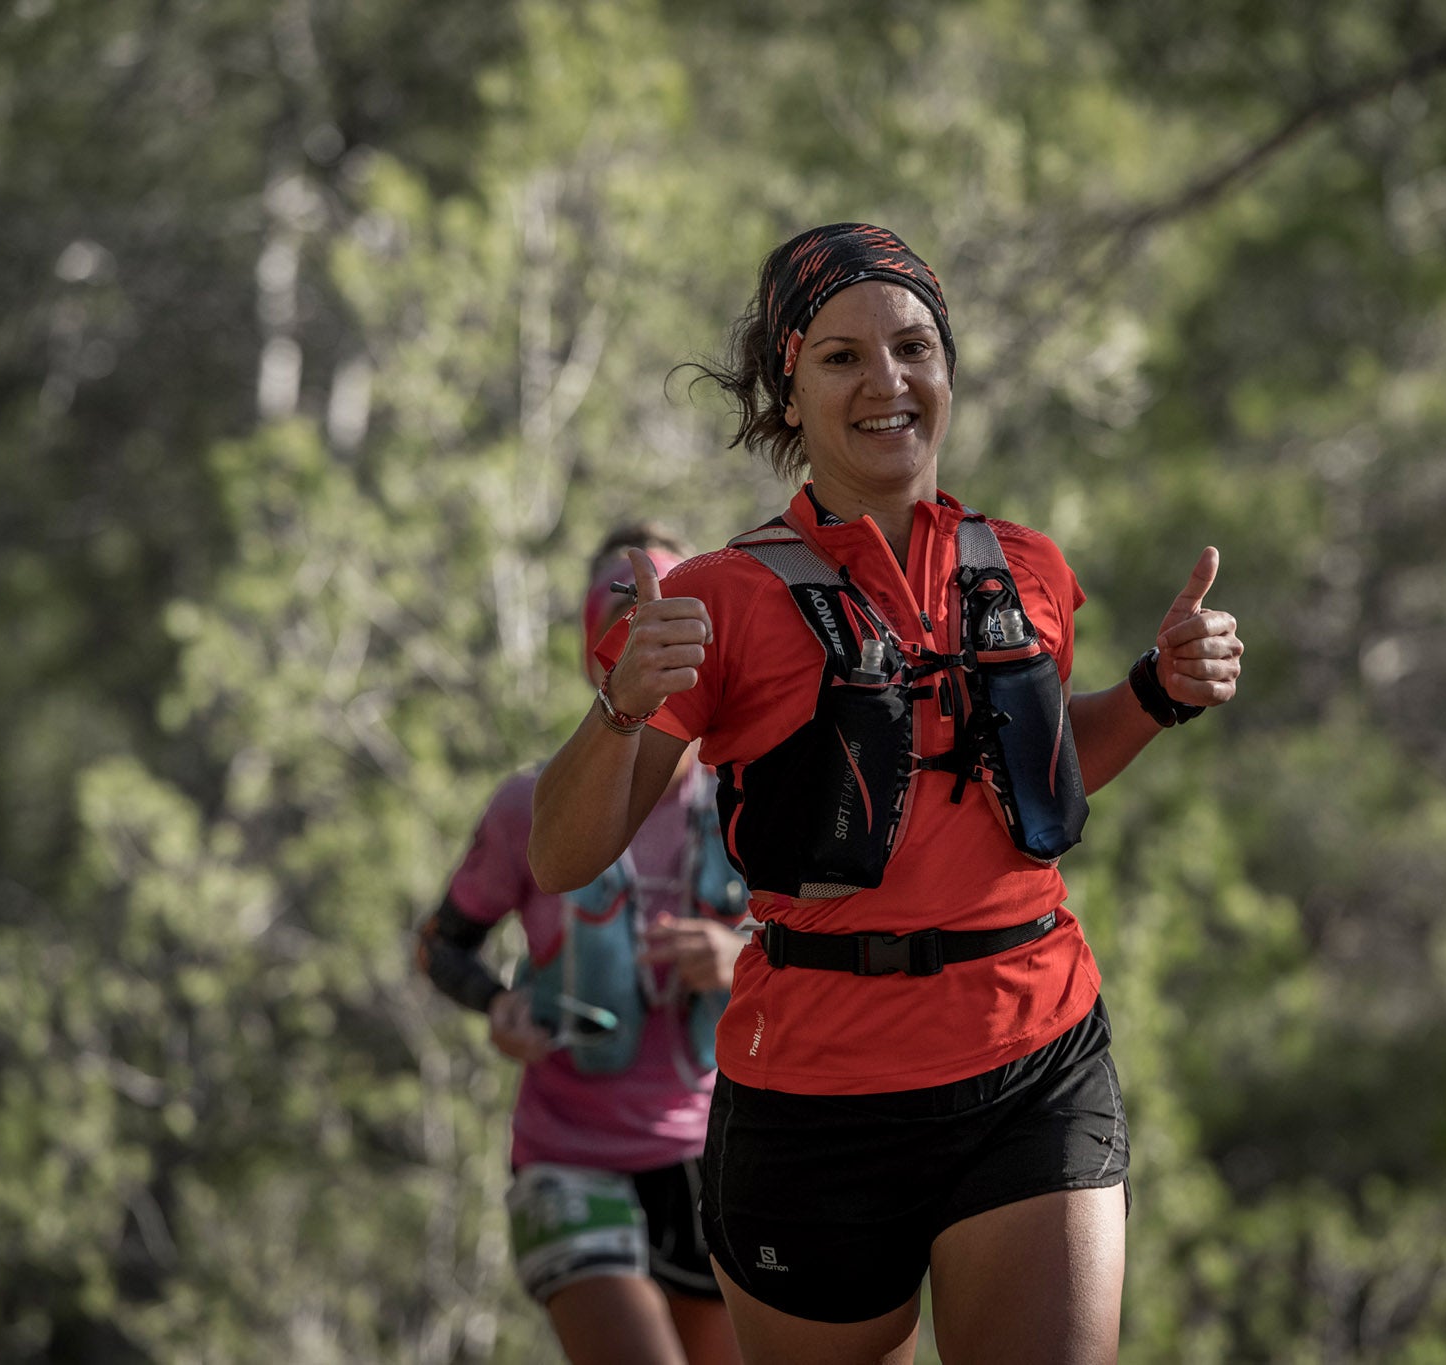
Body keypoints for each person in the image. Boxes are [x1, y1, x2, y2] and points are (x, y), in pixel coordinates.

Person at [526, 224, 1245, 1365]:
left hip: (1034, 1057)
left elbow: (1035, 782)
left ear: (949, 369)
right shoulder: (720, 597)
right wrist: (618, 706)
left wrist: (1155, 691)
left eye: (913, 348)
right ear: (789, 389)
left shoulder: (1027, 567)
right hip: (813, 1100)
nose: (886, 383)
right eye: (841, 358)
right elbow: (560, 858)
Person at [415, 523, 751, 1365]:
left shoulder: (751, 793)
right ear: (592, 655)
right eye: (622, 618)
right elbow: (441, 944)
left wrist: (741, 957)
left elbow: (843, 949)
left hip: (719, 1158)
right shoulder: (530, 807)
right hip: (570, 1158)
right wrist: (502, 1005)